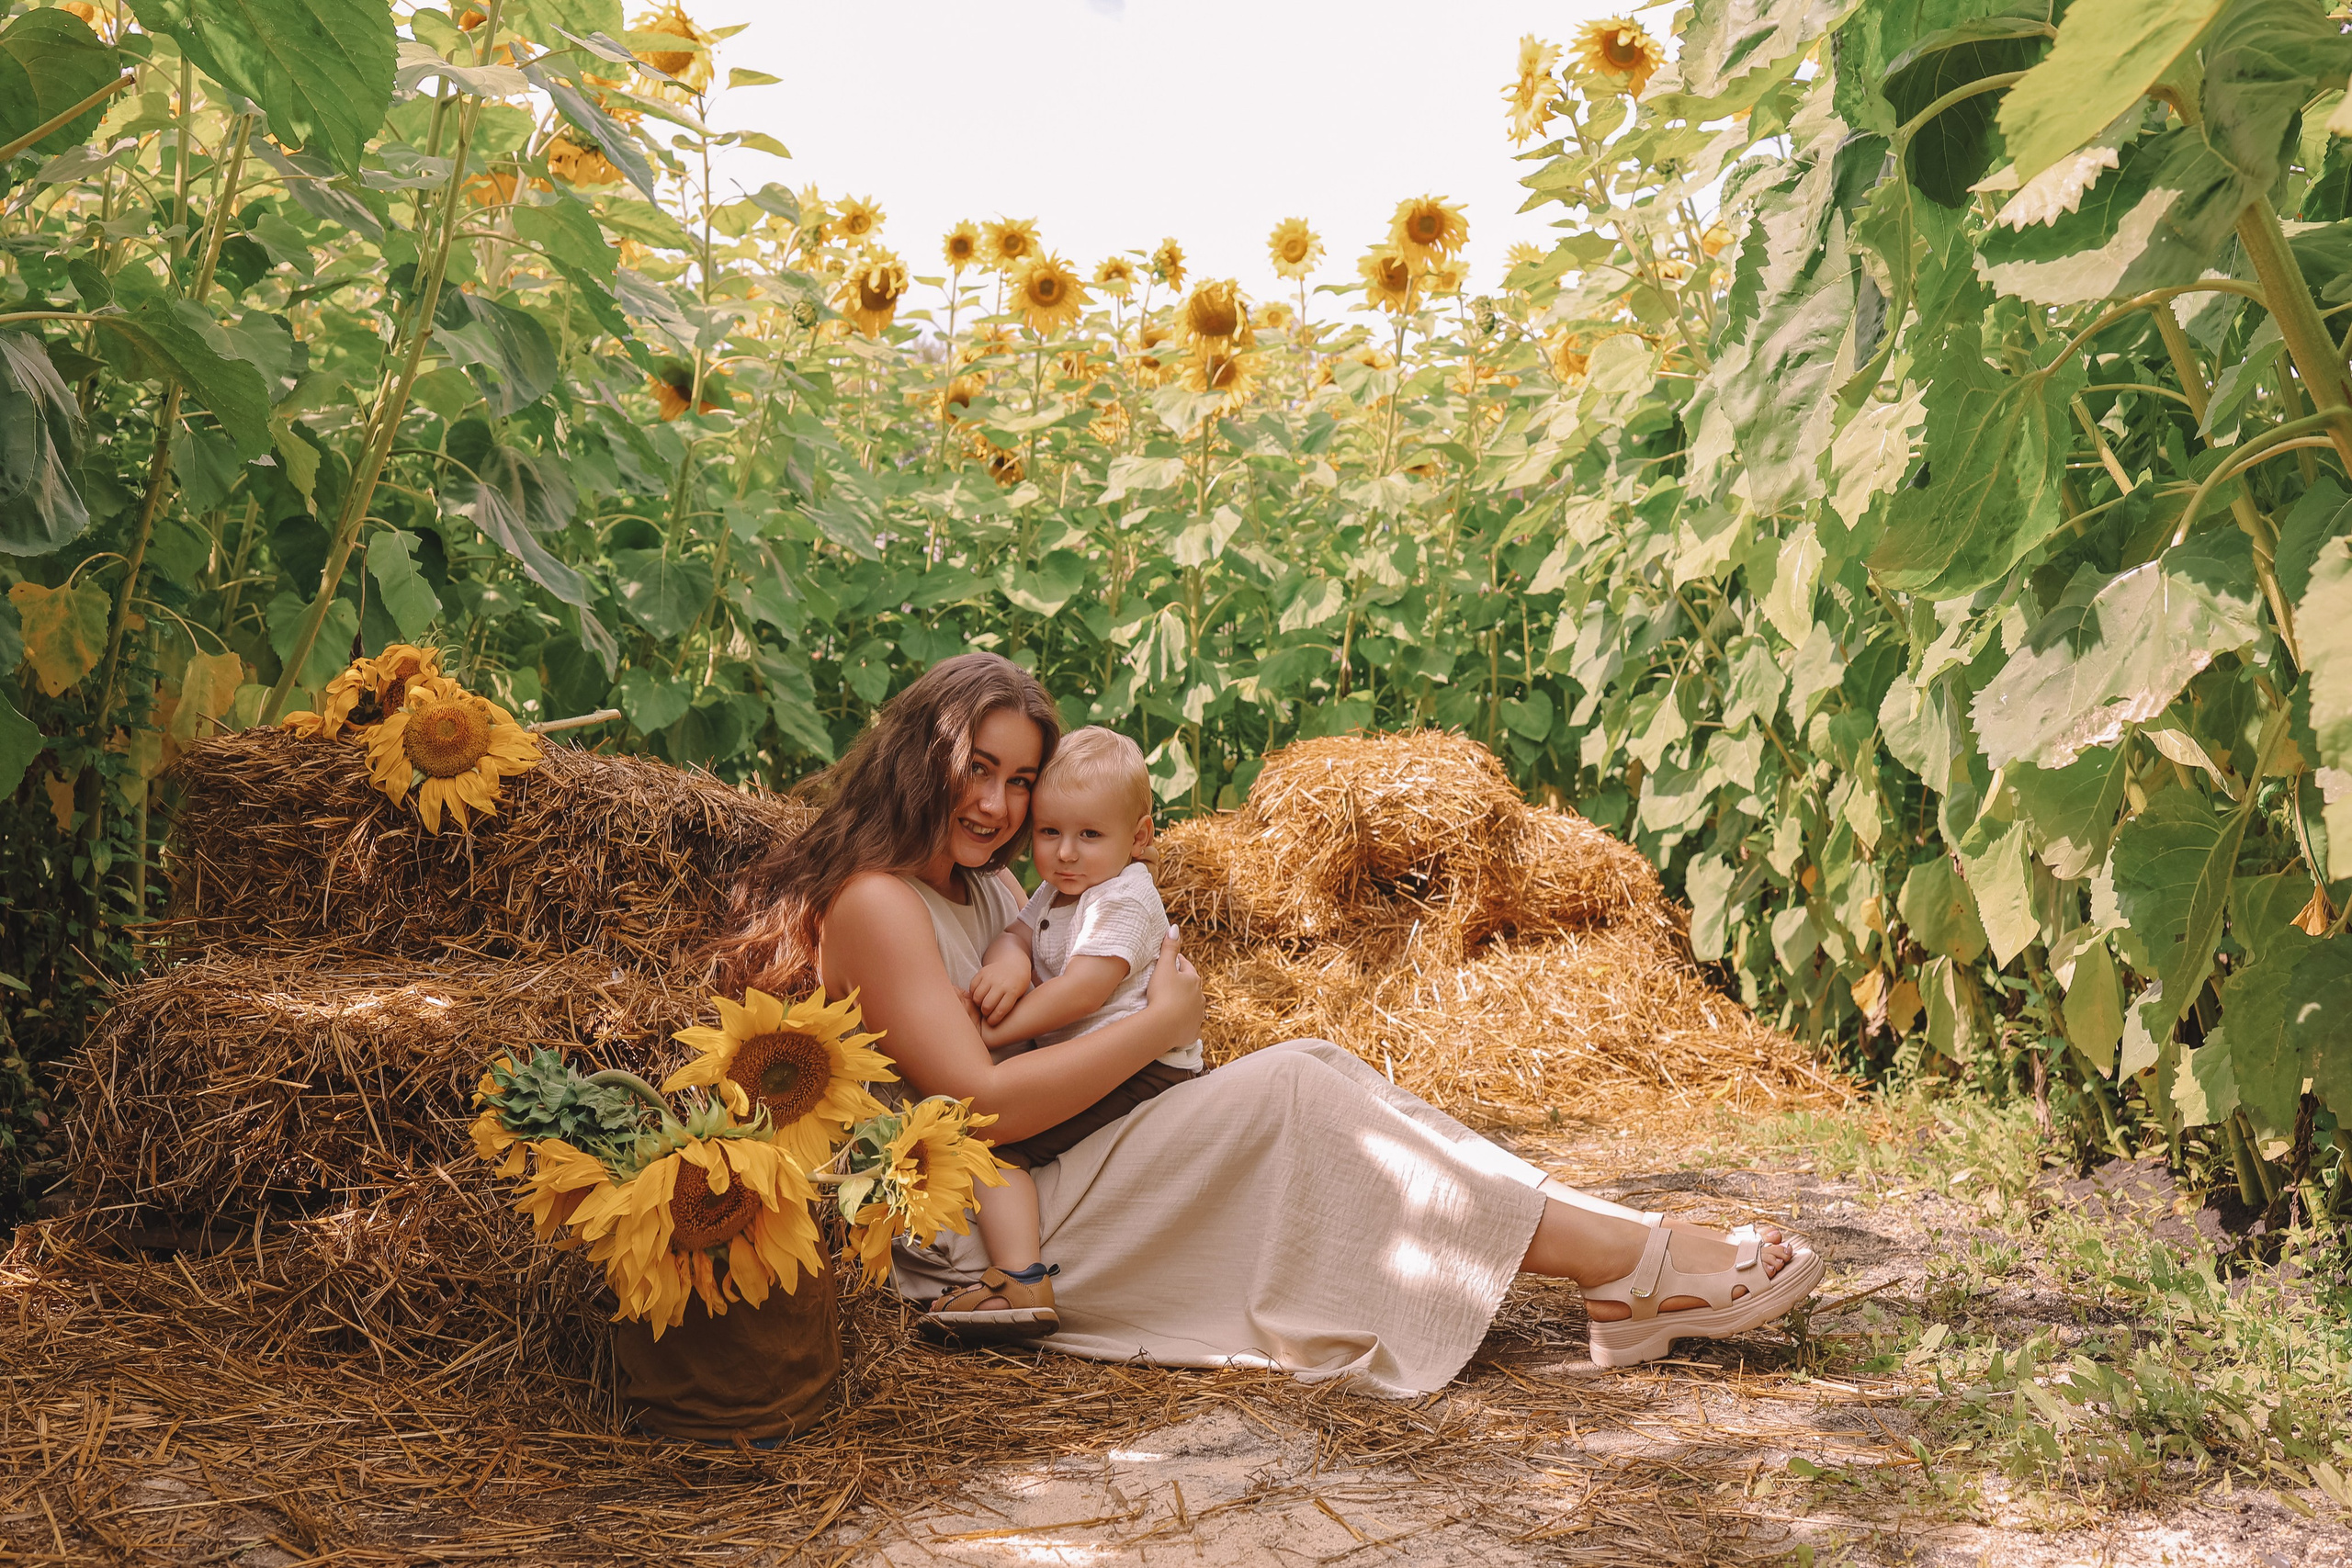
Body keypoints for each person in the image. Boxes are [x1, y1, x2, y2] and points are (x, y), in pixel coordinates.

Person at [710, 653, 1822, 1388]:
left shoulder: (995, 891)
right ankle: (1636, 1266)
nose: (1000, 806)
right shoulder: (875, 904)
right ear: (922, 759)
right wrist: (1157, 1030)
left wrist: (1142, 1026)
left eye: (1022, 781)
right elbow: (983, 1109)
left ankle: (1627, 1260)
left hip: (1066, 1160)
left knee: (1317, 1068)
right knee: (1292, 1086)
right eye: (978, 772)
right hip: (995, 1234)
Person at [926, 727, 1202, 1341]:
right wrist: (1008, 963)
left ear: (1139, 836)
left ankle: (1020, 1278)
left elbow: (1084, 991)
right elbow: (1020, 934)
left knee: (999, 1151)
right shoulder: (1060, 888)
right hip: (1096, 1053)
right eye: (1050, 832)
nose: (1065, 853)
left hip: (1145, 1063)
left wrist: (993, 1027)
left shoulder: (1123, 898)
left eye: (1089, 835)